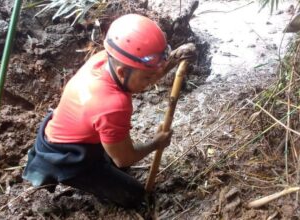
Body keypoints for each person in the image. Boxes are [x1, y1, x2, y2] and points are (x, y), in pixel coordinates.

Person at [22, 14, 196, 208]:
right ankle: (78, 176)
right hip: (67, 156)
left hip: (67, 133)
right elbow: (124, 158)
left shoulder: (106, 59)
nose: (151, 82)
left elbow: (144, 72)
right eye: (147, 78)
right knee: (134, 194)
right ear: (122, 72)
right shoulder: (113, 104)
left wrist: (173, 59)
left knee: (120, 162)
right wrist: (157, 142)